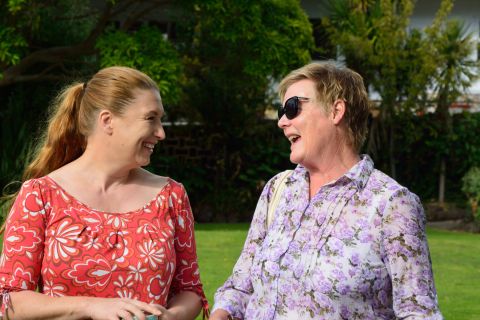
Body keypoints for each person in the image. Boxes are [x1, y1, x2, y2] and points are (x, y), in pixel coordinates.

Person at [210, 62, 443, 320]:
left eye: (292, 108)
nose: (282, 121)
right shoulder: (278, 189)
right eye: (282, 111)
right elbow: (241, 285)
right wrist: (224, 311)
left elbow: (418, 313)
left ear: (336, 111)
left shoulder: (392, 204)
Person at [0, 66, 208, 320]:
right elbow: (10, 299)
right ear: (108, 121)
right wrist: (89, 306)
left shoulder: (170, 196)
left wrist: (172, 316)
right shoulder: (40, 195)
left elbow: (190, 290)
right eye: (150, 118)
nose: (161, 132)